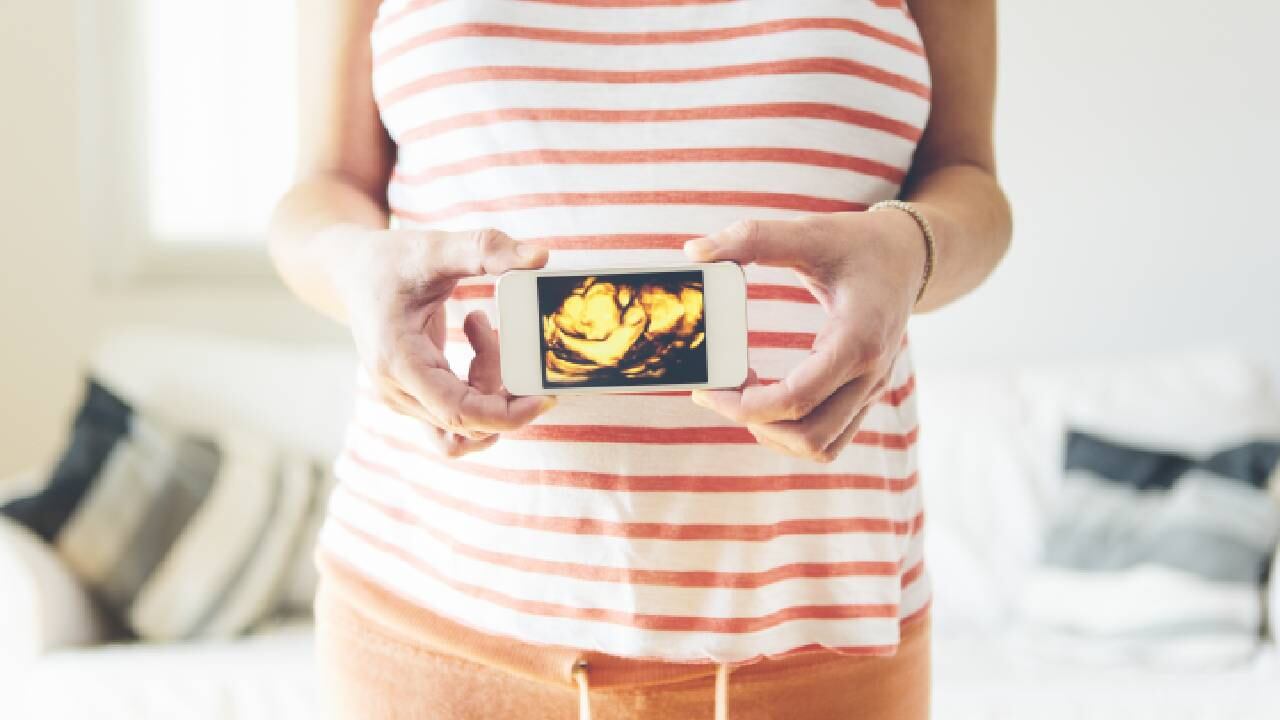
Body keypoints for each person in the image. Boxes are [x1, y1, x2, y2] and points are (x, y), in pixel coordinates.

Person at [270, 1, 1010, 718]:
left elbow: (970, 179)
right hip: (431, 620)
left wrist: (913, 248)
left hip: (814, 628)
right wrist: (353, 265)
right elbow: (324, 188)